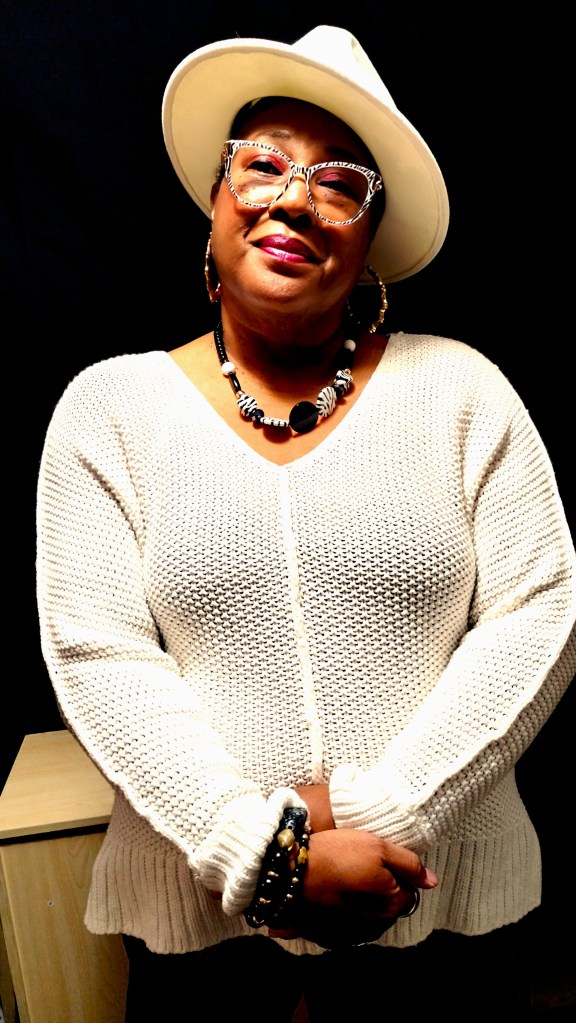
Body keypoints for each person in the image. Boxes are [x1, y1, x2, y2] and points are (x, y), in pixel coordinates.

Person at [36, 24, 575, 1022]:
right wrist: (270, 855)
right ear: (216, 198)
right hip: (205, 945)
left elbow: (536, 618)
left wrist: (381, 810)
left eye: (338, 183)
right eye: (263, 165)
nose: (293, 198)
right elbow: (99, 656)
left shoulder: (462, 392)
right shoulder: (109, 412)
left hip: (443, 925)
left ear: (370, 237)